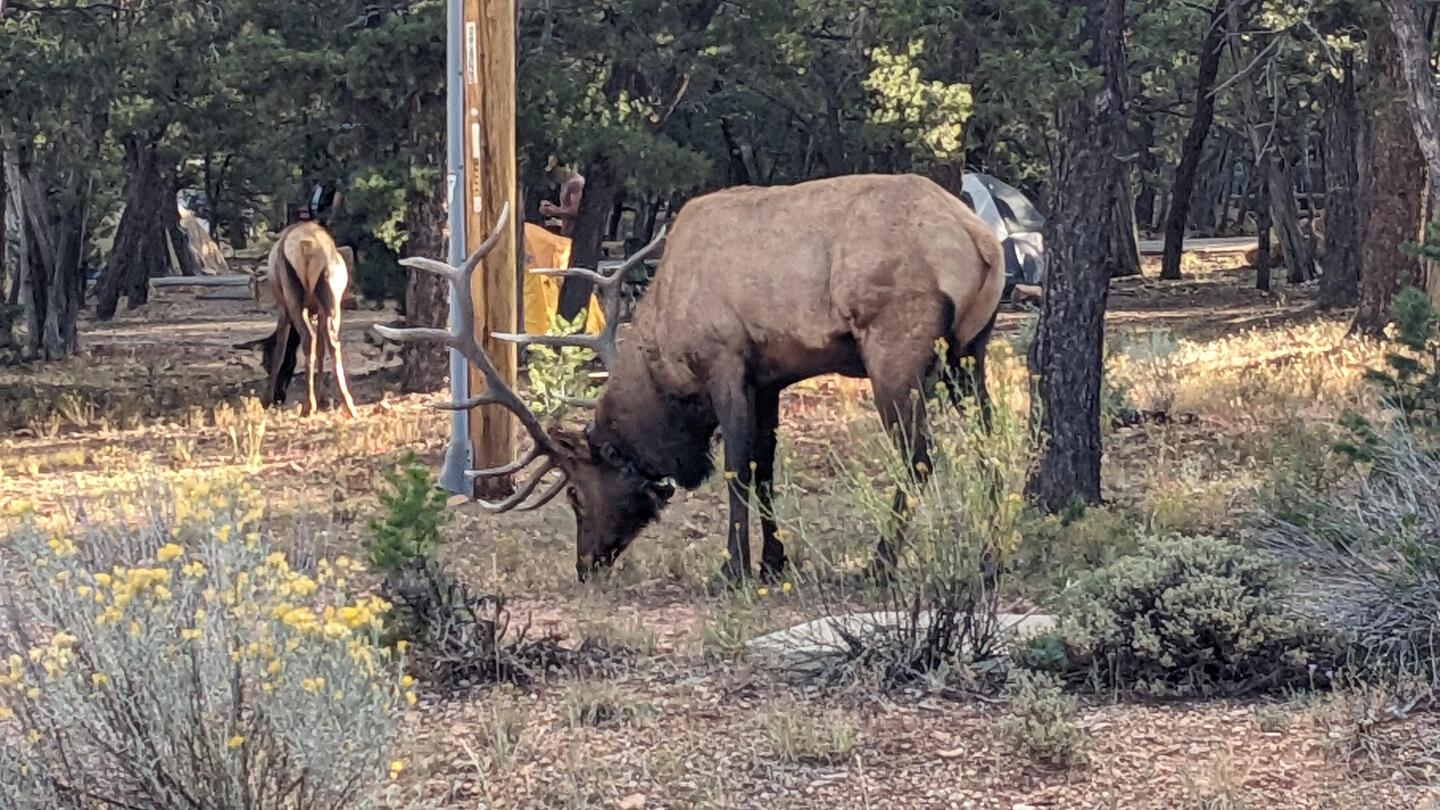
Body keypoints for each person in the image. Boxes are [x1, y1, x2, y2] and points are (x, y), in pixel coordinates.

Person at [539, 157, 585, 237]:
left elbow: (574, 211)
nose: (553, 176)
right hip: (566, 231)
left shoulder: (576, 183)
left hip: (576, 233)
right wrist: (550, 207)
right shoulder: (565, 183)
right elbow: (565, 207)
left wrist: (553, 211)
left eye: (554, 172)